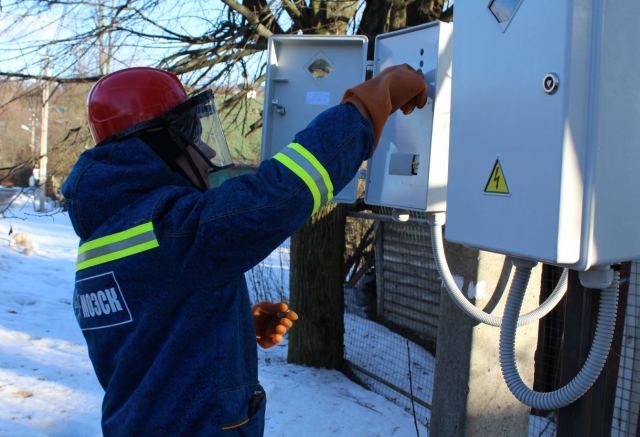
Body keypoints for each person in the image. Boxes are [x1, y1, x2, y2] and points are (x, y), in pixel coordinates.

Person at [62, 64, 427, 436]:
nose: (203, 148)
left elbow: (146, 337)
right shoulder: (171, 230)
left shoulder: (100, 244)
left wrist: (225, 321)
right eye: (191, 136)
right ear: (158, 143)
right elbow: (277, 196)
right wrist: (367, 107)